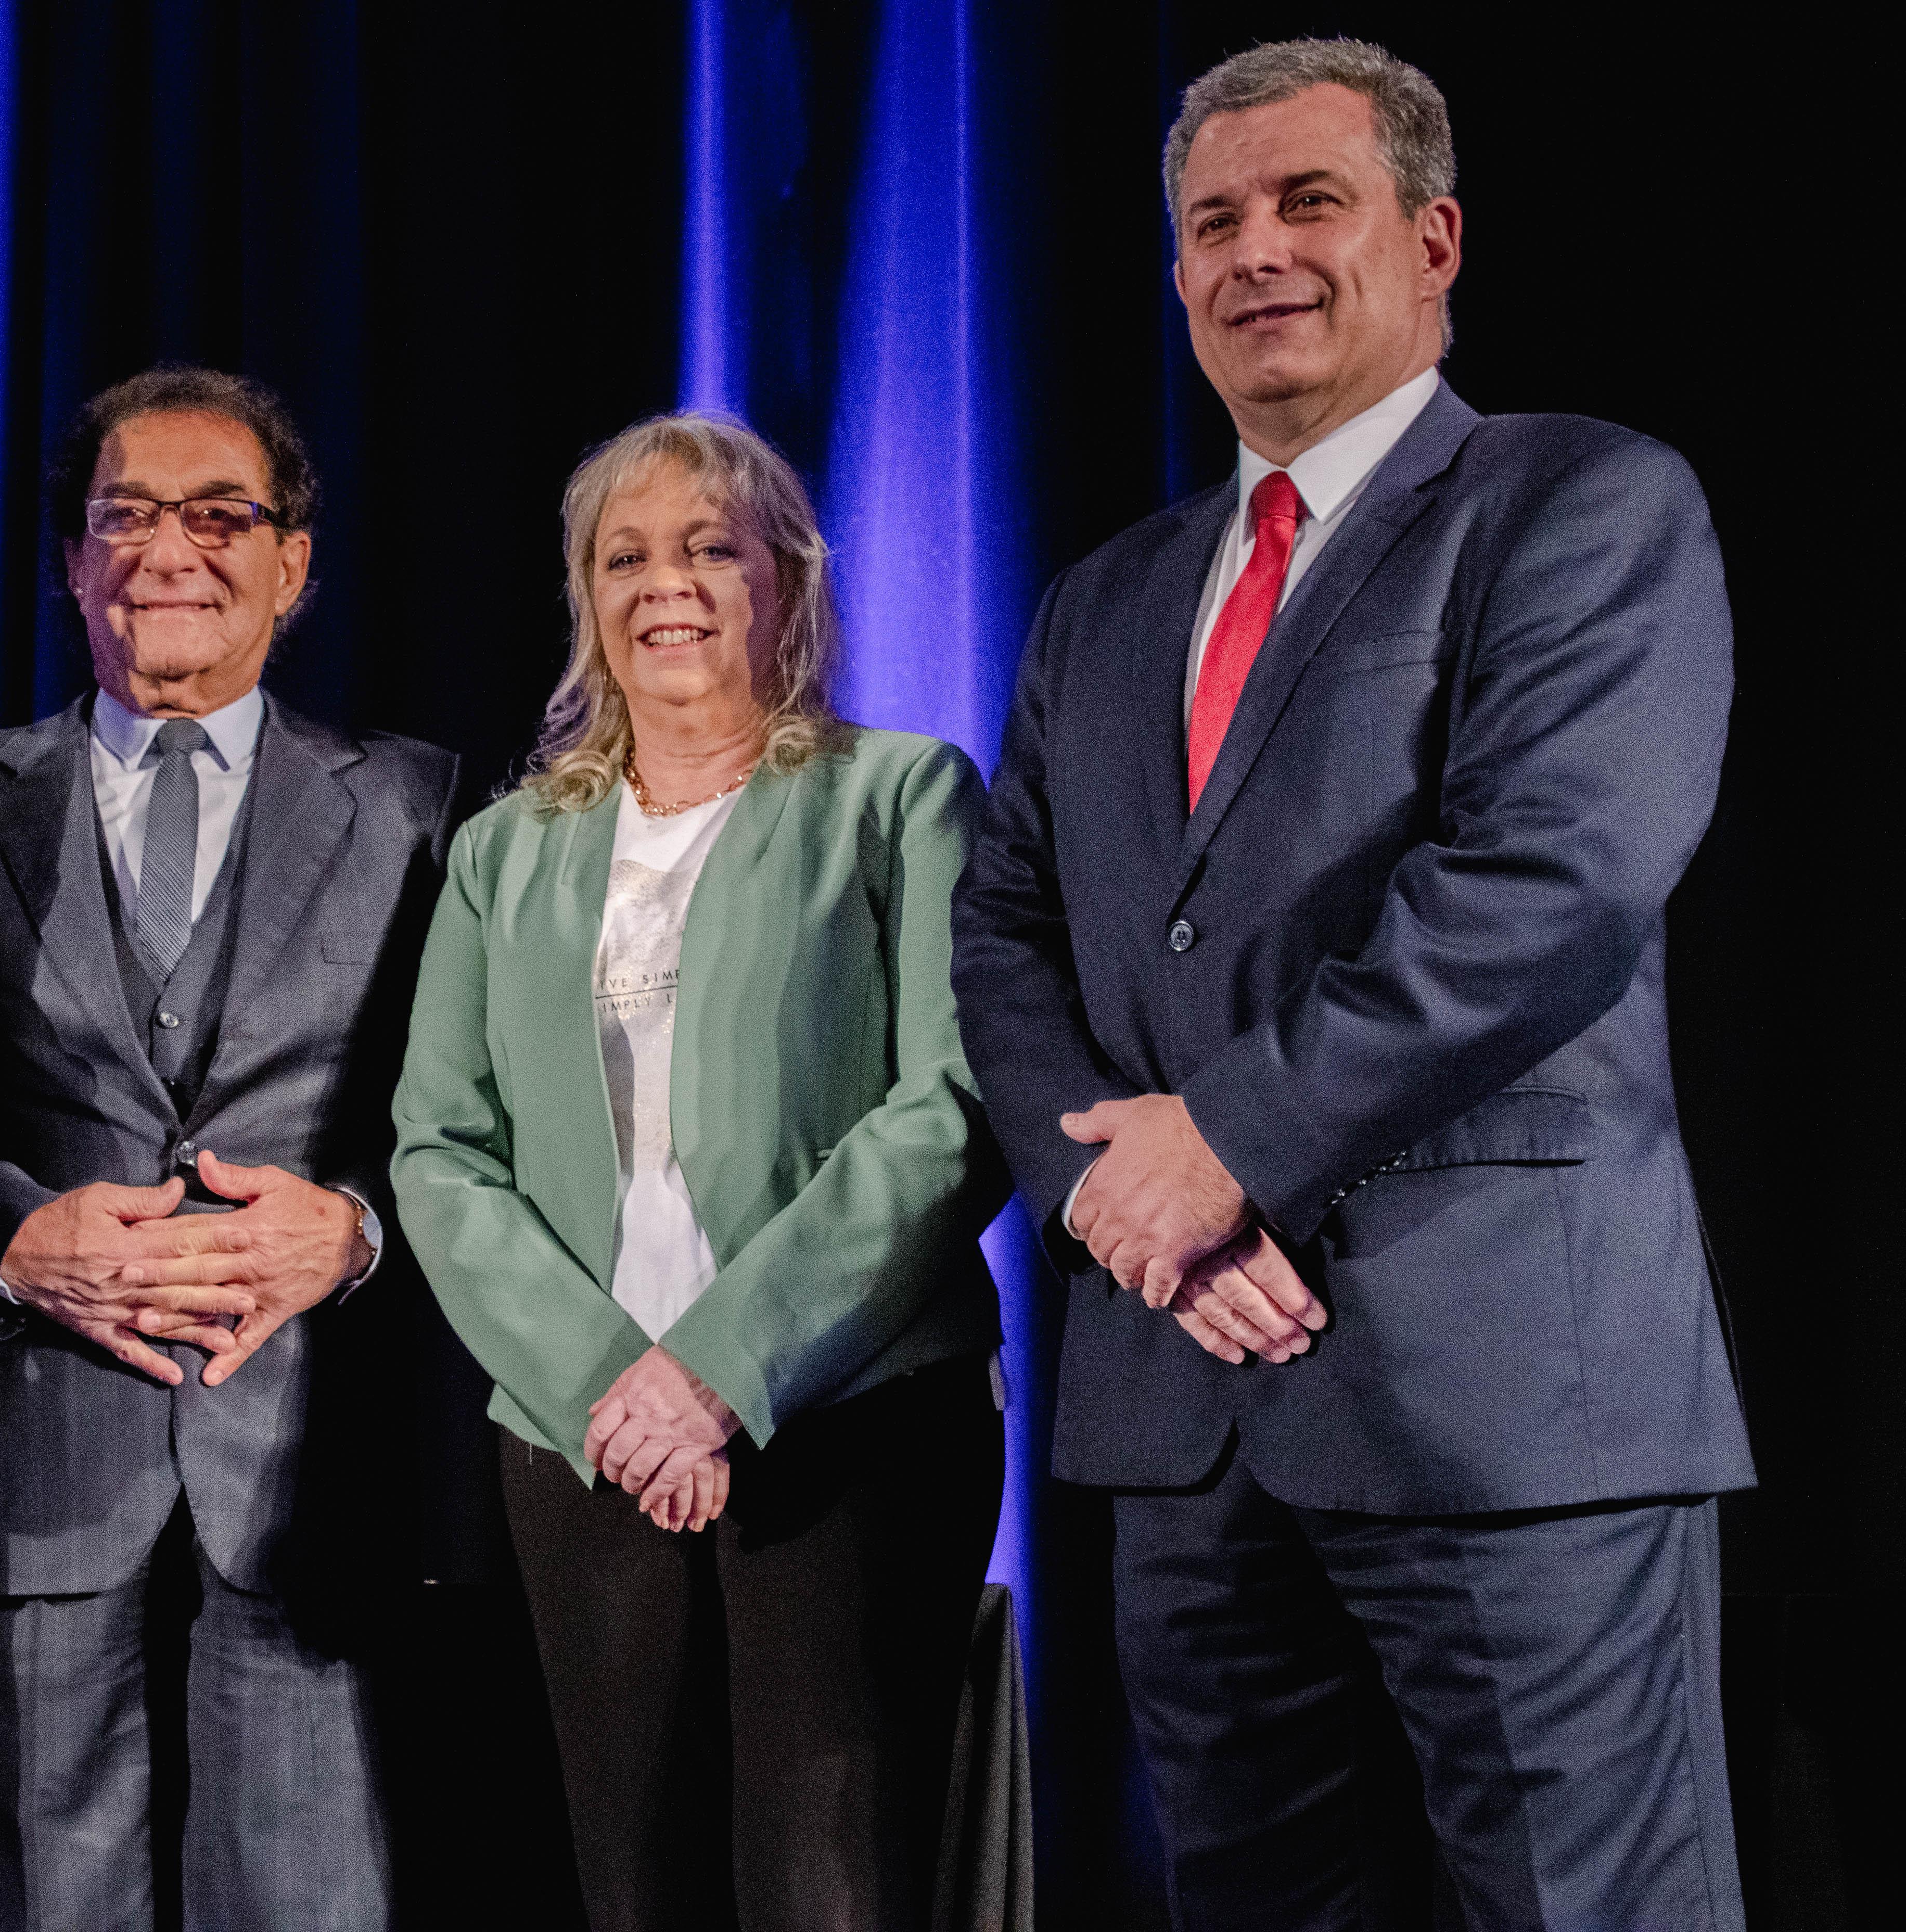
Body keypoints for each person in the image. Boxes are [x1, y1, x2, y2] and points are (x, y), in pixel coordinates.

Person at [952, 39, 1751, 1928]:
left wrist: (1220, 1142)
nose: (1258, 254)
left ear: (1434, 235)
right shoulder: (1108, 597)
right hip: (1187, 1405)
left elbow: (1548, 888)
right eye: (1213, 222)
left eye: (1311, 204)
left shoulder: (1582, 505)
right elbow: (1007, 934)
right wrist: (1114, 1198)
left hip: (1501, 1404)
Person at [0, 366, 463, 1930]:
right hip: (34, 1472)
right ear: (71, 561)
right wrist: (11, 1237)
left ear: (293, 564)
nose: (169, 549)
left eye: (220, 513)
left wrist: (357, 1231)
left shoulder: (420, 806)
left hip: (312, 1479)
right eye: (126, 515)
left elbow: (476, 1125)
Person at [390, 412, 1007, 1932]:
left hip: (855, 1421)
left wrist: (720, 1371)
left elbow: (953, 1106)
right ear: (589, 601)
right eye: (625, 558)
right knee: (628, 1878)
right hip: (581, 1431)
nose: (665, 585)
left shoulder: (902, 798)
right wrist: (615, 1382)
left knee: (831, 1885)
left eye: (707, 548)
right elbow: (438, 1147)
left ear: (785, 582)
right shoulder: (505, 852)